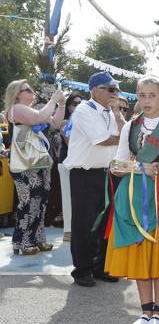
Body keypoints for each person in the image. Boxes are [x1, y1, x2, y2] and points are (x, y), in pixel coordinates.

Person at [104, 76, 159, 324]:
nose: (147, 100)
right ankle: (145, 311)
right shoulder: (130, 127)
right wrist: (117, 168)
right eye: (142, 95)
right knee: (140, 251)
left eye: (152, 95)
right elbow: (120, 160)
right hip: (134, 194)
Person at [63, 72, 126, 287]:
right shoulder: (84, 110)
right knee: (85, 223)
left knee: (106, 222)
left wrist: (117, 111)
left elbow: (119, 134)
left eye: (116, 90)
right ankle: (82, 269)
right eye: (110, 89)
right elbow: (104, 140)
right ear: (95, 90)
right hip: (85, 173)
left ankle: (101, 267)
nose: (115, 93)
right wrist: (126, 139)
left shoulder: (108, 112)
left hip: (107, 173)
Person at [4, 80, 65, 255]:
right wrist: (53, 101)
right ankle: (24, 241)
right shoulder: (16, 109)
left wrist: (61, 105)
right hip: (24, 164)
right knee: (29, 202)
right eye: (27, 89)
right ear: (17, 94)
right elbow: (38, 118)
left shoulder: (33, 110)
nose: (32, 91)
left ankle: (37, 239)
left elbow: (54, 123)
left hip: (40, 162)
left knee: (41, 203)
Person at [58, 93, 83, 242]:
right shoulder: (65, 122)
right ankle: (68, 231)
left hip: (80, 164)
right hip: (67, 162)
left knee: (79, 199)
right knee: (67, 197)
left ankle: (77, 230)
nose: (79, 106)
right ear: (69, 106)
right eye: (75, 103)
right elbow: (71, 143)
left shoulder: (84, 121)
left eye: (81, 103)